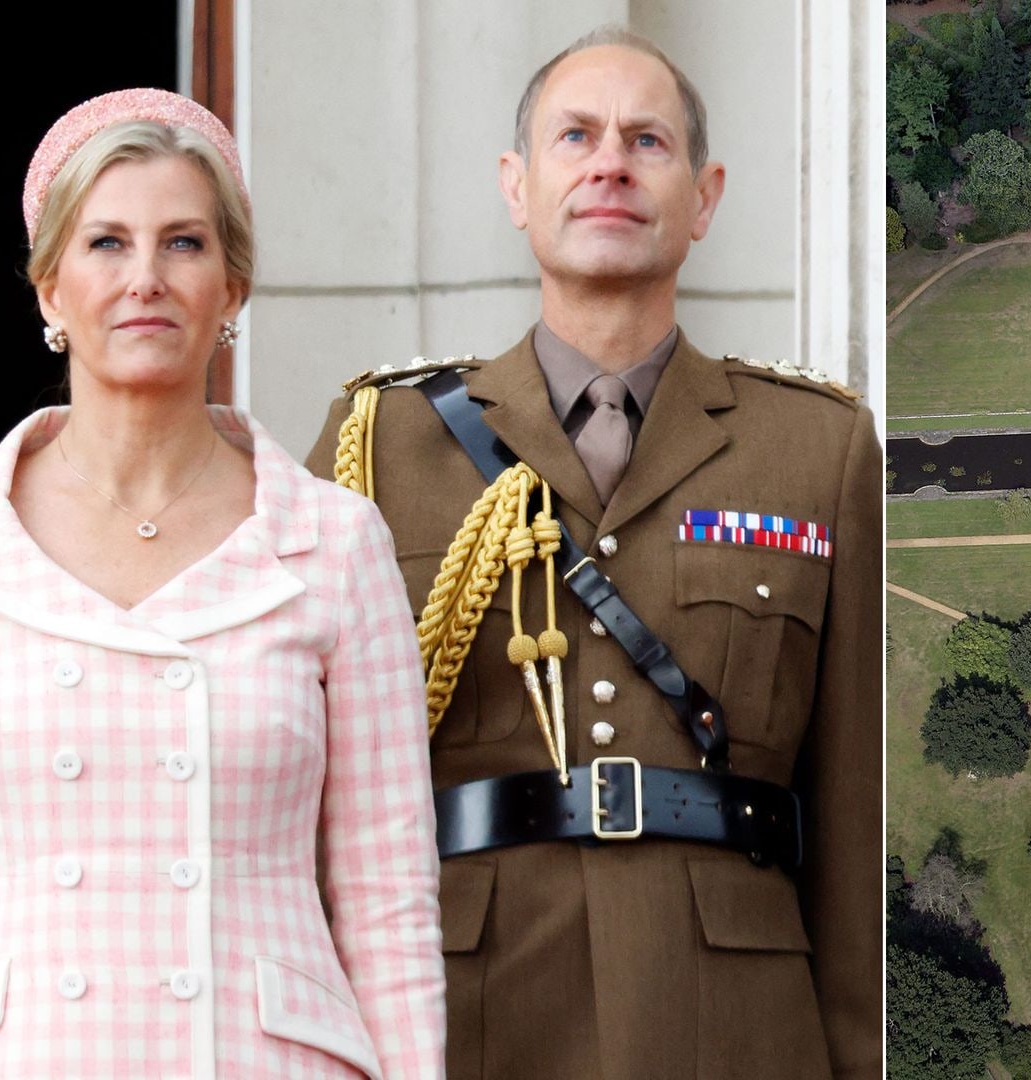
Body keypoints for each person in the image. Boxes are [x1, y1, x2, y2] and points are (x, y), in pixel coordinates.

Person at [305, 26, 882, 1080]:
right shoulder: (380, 445)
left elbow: (853, 809)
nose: (610, 161)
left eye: (646, 141)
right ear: (516, 187)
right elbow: (307, 797)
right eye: (576, 136)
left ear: (704, 198)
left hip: (734, 1015)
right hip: (468, 1008)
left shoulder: (819, 448)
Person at [0, 89, 444, 1078]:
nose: (146, 280)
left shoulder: (334, 543)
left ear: (234, 288)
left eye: (184, 244)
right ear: (49, 289)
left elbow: (387, 903)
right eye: (106, 243)